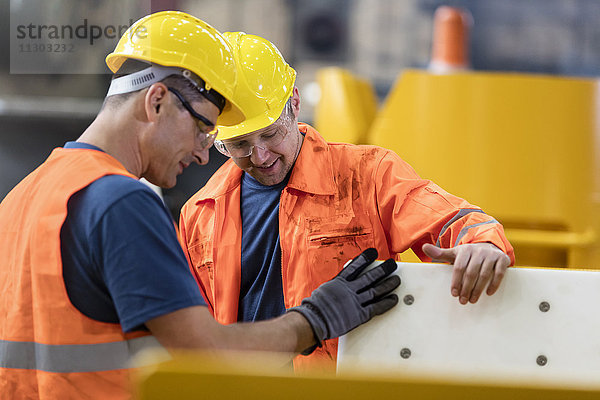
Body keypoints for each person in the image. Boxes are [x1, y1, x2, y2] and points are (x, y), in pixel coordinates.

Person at [0, 12, 401, 399]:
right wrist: (316, 318)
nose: (202, 154)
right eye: (201, 128)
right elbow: (205, 353)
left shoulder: (22, 196)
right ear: (156, 101)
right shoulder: (121, 202)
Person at [179, 32, 515, 372]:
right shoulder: (199, 214)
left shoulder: (367, 175)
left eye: (270, 133)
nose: (261, 155)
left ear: (294, 103)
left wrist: (482, 244)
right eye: (239, 145)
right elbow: (192, 337)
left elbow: (452, 219)